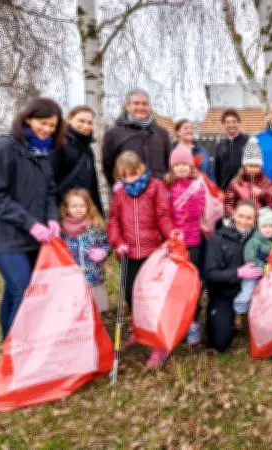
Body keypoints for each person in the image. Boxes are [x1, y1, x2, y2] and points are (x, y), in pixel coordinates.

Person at [0, 97, 66, 339]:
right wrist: (30, 223)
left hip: (34, 237)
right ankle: (20, 351)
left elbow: (50, 190)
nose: (47, 129)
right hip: (6, 238)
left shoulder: (42, 151)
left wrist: (52, 218)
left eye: (52, 125)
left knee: (14, 291)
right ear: (27, 118)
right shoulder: (4, 147)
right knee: (24, 290)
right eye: (43, 123)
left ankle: (9, 345)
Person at [107, 151, 174, 369]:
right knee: (130, 294)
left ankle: (159, 344)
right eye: (124, 176)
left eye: (133, 174)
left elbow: (163, 216)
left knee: (152, 298)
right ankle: (139, 330)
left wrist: (171, 234)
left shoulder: (156, 187)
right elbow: (114, 219)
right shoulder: (119, 194)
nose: (130, 180)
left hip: (152, 250)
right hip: (129, 251)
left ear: (141, 169)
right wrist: (117, 241)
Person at [163, 144, 206, 346]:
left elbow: (198, 211)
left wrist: (190, 197)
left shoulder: (198, 185)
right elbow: (164, 213)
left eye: (184, 164)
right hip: (174, 243)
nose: (181, 168)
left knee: (192, 282)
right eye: (177, 165)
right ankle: (176, 320)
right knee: (174, 283)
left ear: (191, 166)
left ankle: (193, 321)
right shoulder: (166, 186)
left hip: (193, 241)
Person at [204, 200, 259, 352]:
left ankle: (246, 313)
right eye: (240, 216)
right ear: (234, 214)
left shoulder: (259, 237)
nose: (244, 221)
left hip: (253, 293)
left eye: (249, 218)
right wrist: (238, 272)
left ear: (255, 219)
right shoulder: (218, 238)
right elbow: (210, 274)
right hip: (224, 294)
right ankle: (229, 316)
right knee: (219, 344)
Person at [102, 88, 172, 186]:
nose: (141, 107)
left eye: (144, 104)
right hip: (129, 193)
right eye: (136, 103)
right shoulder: (114, 134)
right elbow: (108, 167)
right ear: (127, 106)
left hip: (158, 192)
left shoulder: (161, 133)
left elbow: (168, 163)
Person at [234, 208, 272, 328]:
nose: (268, 229)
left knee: (270, 295)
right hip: (254, 273)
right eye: (265, 226)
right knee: (246, 294)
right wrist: (264, 266)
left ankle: (264, 316)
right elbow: (250, 259)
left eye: (271, 226)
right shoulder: (254, 241)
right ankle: (238, 312)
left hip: (270, 274)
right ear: (259, 227)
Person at [60, 188, 110, 312]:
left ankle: (98, 324)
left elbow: (106, 244)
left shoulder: (95, 226)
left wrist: (103, 252)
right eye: (74, 206)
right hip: (73, 276)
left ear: (88, 207)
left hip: (94, 274)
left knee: (98, 307)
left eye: (82, 205)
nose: (78, 209)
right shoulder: (62, 231)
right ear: (67, 208)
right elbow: (58, 251)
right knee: (79, 308)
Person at [50, 105, 104, 215]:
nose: (85, 125)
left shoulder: (88, 151)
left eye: (89, 122)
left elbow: (93, 186)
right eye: (81, 121)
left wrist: (100, 217)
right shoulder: (59, 144)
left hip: (84, 213)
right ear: (69, 119)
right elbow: (49, 182)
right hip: (62, 212)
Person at [224, 137, 272, 216]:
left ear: (260, 167)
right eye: (250, 165)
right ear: (245, 166)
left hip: (261, 222)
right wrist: (234, 215)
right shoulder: (235, 183)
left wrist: (263, 193)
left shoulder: (268, 182)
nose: (253, 169)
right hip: (242, 222)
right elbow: (228, 203)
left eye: (256, 166)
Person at [213, 109, 250, 191]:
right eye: (228, 122)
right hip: (226, 190)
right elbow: (216, 171)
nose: (231, 125)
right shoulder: (219, 146)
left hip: (246, 189)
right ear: (224, 124)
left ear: (239, 122)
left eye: (234, 121)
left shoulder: (248, 142)